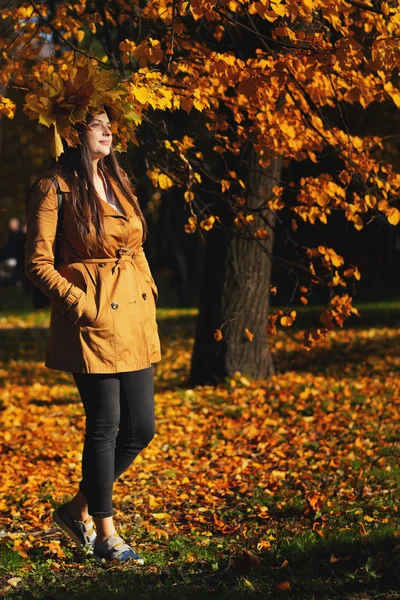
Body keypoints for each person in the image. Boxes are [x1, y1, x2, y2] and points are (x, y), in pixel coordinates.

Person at [25, 108, 162, 565]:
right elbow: (38, 262)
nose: (108, 130)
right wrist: (81, 305)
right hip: (92, 322)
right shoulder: (53, 188)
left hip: (134, 315)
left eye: (109, 123)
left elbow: (135, 243)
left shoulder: (117, 181)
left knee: (142, 427)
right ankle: (106, 533)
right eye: (97, 124)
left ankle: (75, 509)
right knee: (104, 425)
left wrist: (149, 287)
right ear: (74, 131)